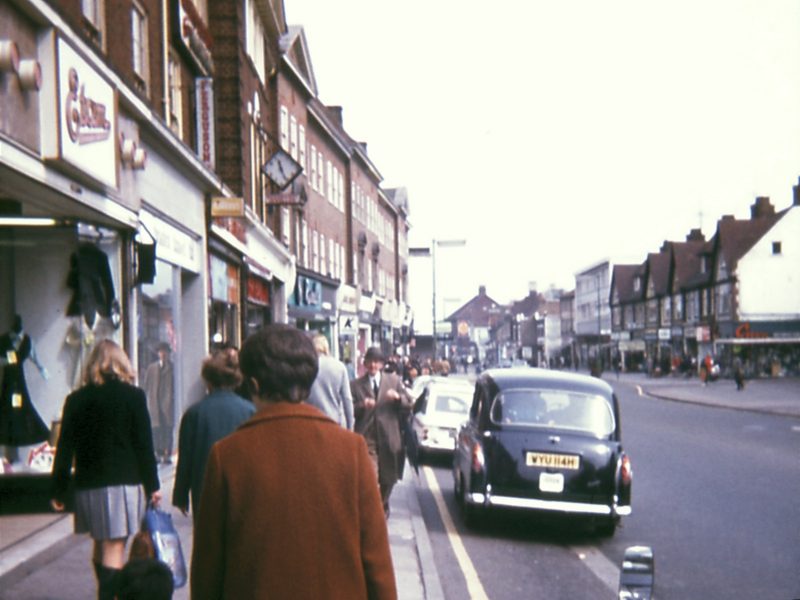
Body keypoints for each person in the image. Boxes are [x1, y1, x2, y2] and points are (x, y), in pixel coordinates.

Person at [191, 325, 396, 599]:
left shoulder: (226, 456)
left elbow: (208, 573)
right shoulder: (352, 451)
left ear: (253, 385)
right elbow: (378, 566)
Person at [51, 339, 161, 600]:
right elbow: (144, 446)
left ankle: (107, 593)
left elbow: (64, 449)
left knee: (101, 547)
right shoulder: (133, 396)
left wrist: (58, 489)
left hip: (87, 486)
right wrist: (153, 485)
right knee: (114, 549)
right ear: (121, 363)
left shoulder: (75, 399)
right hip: (122, 485)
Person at [172, 348, 255, 523]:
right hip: (243, 487)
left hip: (205, 488)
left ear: (207, 380)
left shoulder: (194, 414)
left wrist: (180, 495)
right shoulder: (250, 411)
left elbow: (186, 459)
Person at [351, 346, 413, 516]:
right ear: (364, 363)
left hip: (389, 436)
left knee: (389, 477)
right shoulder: (356, 385)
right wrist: (362, 405)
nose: (373, 365)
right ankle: (373, 511)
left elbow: (409, 403)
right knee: (370, 476)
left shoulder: (393, 380)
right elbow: (350, 409)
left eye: (376, 362)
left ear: (382, 364)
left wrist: (398, 398)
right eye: (369, 362)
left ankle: (382, 503)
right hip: (367, 436)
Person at [0, 314, 50, 448]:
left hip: (19, 380)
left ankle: (22, 436)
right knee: (7, 407)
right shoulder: (4, 340)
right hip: (9, 380)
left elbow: (35, 357)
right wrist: (8, 361)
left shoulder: (28, 341)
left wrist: (42, 370)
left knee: (22, 405)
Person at [306, 333, 354, 429]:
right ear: (326, 347)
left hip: (312, 421)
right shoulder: (339, 367)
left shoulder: (307, 367)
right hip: (335, 422)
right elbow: (347, 400)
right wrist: (350, 426)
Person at [144, 342, 175, 463]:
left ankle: (167, 454)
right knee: (156, 430)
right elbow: (146, 385)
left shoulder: (172, 368)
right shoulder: (152, 368)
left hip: (168, 404)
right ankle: (157, 453)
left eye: (165, 352)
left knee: (168, 429)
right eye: (161, 352)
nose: (163, 354)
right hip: (155, 404)